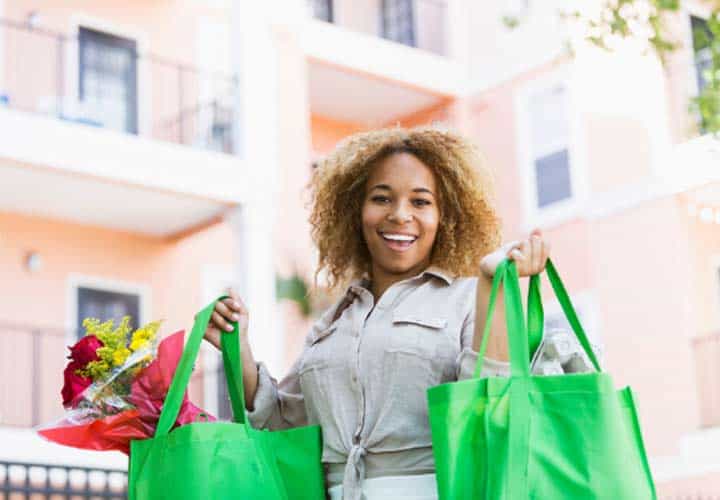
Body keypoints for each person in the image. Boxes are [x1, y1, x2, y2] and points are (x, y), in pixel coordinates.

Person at [203, 127, 550, 500]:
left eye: (421, 202)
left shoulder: (466, 298)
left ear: (445, 216)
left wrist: (490, 283)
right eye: (382, 198)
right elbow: (281, 425)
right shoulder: (334, 319)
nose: (400, 215)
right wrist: (238, 350)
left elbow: (490, 406)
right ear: (356, 212)